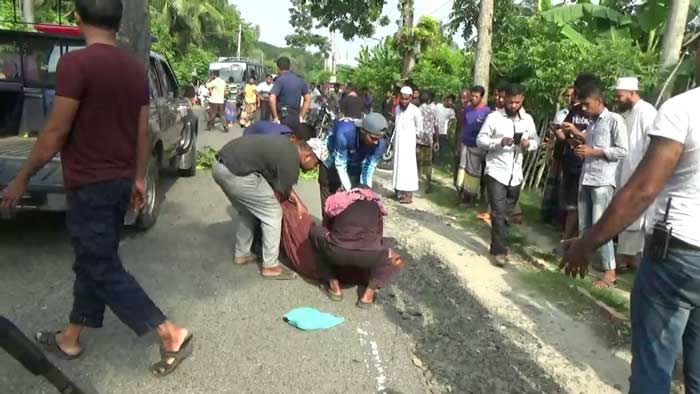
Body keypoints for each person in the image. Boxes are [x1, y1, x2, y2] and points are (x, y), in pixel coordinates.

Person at [0, 0, 192, 376]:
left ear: (78, 17)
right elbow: (141, 130)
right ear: (118, 21)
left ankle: (168, 332)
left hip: (89, 183)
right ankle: (71, 335)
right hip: (119, 181)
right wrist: (138, 177)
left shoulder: (75, 64)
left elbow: (55, 131)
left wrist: (20, 179)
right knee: (94, 258)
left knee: (99, 263)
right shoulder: (135, 69)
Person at [560, 35, 700, 394]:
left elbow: (643, 190)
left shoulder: (683, 109)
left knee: (655, 362)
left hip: (680, 254)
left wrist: (587, 243)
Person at [212, 135, 328, 280]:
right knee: (272, 213)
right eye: (316, 164)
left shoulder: (287, 147)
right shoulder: (291, 161)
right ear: (308, 156)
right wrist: (298, 206)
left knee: (247, 210)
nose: (315, 168)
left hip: (219, 168)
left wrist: (298, 201)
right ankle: (270, 266)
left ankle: (242, 254)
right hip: (236, 173)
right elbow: (282, 191)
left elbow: (276, 182)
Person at [477, 84, 539, 266]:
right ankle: (500, 250)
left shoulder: (527, 120)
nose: (513, 106)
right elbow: (481, 140)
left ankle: (498, 243)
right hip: (496, 171)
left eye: (517, 102)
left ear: (522, 100)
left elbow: (536, 141)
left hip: (516, 175)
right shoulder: (494, 118)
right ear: (504, 99)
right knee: (497, 212)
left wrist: (529, 144)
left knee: (506, 214)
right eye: (511, 102)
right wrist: (499, 142)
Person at [575, 81, 629, 288]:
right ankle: (582, 261)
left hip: (603, 181)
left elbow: (622, 150)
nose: (584, 108)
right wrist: (582, 151)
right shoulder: (592, 123)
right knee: (584, 226)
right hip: (586, 177)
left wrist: (594, 152)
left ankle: (610, 271)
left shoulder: (615, 120)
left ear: (599, 101)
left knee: (602, 227)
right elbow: (590, 150)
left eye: (587, 104)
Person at [310, 189, 404, 308]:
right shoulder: (376, 206)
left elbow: (327, 224)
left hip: (336, 251)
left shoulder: (340, 201)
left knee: (315, 233)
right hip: (369, 256)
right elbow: (378, 235)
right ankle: (368, 296)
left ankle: (335, 288)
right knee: (392, 254)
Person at [613, 77, 657, 272]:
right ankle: (627, 258)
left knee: (634, 216)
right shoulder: (630, 113)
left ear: (632, 93)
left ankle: (625, 258)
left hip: (640, 172)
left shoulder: (647, 112)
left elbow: (652, 145)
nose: (617, 99)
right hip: (627, 170)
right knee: (626, 212)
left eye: (620, 96)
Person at [552, 75, 596, 256]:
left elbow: (599, 140)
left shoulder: (601, 114)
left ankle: (574, 246)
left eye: (577, 91)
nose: (575, 96)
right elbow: (565, 131)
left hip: (590, 167)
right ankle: (566, 242)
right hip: (571, 162)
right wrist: (564, 135)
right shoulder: (576, 109)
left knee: (584, 209)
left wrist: (577, 132)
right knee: (571, 206)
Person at [319, 113, 388, 209]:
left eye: (378, 139)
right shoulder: (344, 133)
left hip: (354, 160)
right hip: (332, 156)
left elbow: (369, 168)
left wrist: (367, 192)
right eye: (373, 138)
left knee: (356, 195)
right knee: (330, 193)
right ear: (363, 130)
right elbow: (340, 164)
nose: (376, 142)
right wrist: (349, 191)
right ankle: (326, 222)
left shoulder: (380, 143)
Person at [542, 86, 575, 226]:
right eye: (567, 96)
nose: (569, 99)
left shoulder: (581, 115)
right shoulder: (561, 113)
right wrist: (549, 151)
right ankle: (548, 214)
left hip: (571, 154)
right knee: (552, 184)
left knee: (565, 185)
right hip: (558, 151)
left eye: (572, 96)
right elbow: (552, 136)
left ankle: (562, 218)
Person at [457, 85, 491, 204]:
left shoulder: (487, 112)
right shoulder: (467, 109)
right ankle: (462, 194)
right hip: (465, 144)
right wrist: (459, 142)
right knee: (463, 170)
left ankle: (475, 197)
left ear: (481, 97)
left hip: (478, 147)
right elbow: (463, 125)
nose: (473, 98)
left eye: (476, 96)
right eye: (472, 96)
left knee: (476, 173)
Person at [392, 86, 422, 204]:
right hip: (398, 143)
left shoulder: (415, 110)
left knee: (408, 168)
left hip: (408, 145)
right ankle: (398, 190)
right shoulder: (398, 109)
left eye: (406, 99)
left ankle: (408, 194)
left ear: (410, 98)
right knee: (398, 165)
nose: (404, 101)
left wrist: (413, 138)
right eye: (402, 99)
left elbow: (420, 128)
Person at [269, 57, 310, 134]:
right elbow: (307, 99)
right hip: (295, 117)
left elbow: (271, 98)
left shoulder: (280, 80)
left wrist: (275, 117)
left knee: (280, 142)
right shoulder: (300, 80)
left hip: (283, 117)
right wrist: (301, 116)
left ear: (277, 68)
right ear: (290, 66)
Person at [417, 90, 439, 193]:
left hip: (418, 139)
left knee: (417, 162)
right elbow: (436, 126)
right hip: (428, 140)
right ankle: (428, 184)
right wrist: (436, 140)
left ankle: (416, 182)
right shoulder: (433, 110)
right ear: (429, 100)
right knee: (427, 163)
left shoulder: (417, 110)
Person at [453, 88, 471, 185]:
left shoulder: (472, 111)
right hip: (458, 139)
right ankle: (457, 185)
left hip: (469, 143)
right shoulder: (458, 109)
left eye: (464, 98)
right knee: (457, 162)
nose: (462, 101)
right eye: (460, 98)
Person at [434, 94, 456, 166]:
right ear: (445, 99)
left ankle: (440, 162)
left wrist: (448, 133)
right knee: (434, 146)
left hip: (443, 132)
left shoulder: (451, 111)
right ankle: (433, 160)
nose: (449, 102)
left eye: (451, 101)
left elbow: (451, 123)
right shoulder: (438, 106)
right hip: (434, 130)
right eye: (448, 100)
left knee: (442, 148)